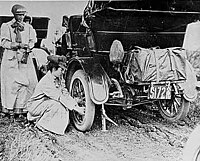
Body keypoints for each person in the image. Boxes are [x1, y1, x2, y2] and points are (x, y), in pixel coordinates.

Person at [26, 55, 85, 135]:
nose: (63, 72)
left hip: (46, 103)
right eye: (61, 70)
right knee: (57, 105)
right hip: (36, 106)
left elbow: (65, 93)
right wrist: (76, 109)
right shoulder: (47, 82)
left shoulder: (59, 78)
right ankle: (42, 124)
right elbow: (59, 97)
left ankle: (51, 124)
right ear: (54, 69)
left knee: (61, 105)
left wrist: (75, 105)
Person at [0, 4, 38, 119]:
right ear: (14, 14)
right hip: (11, 58)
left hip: (24, 58)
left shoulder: (29, 27)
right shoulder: (6, 26)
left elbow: (32, 40)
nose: (21, 17)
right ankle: (8, 108)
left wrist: (28, 47)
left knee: (27, 83)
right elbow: (3, 42)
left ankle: (21, 109)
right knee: (10, 84)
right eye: (19, 15)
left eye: (23, 15)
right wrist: (16, 45)